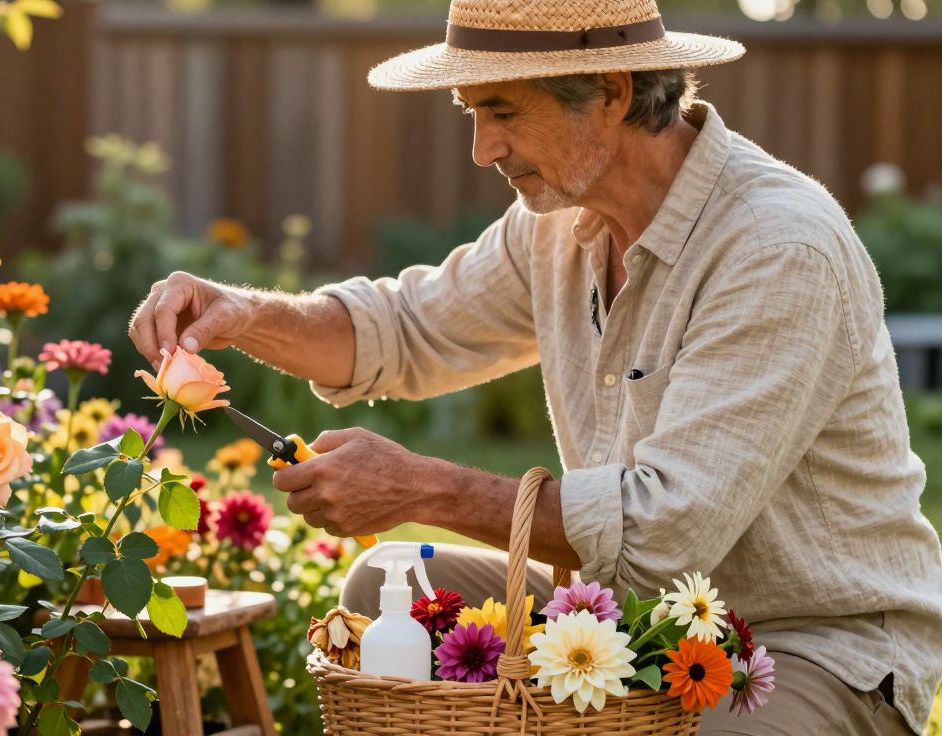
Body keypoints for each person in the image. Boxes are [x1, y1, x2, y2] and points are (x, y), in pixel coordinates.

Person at [127, 0, 942, 731]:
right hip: (630, 617)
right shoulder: (559, 221)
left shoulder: (775, 248)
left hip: (810, 644)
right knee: (384, 589)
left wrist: (422, 488)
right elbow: (405, 330)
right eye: (471, 111)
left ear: (613, 92)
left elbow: (664, 530)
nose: (483, 148)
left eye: (502, 109)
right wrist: (243, 316)